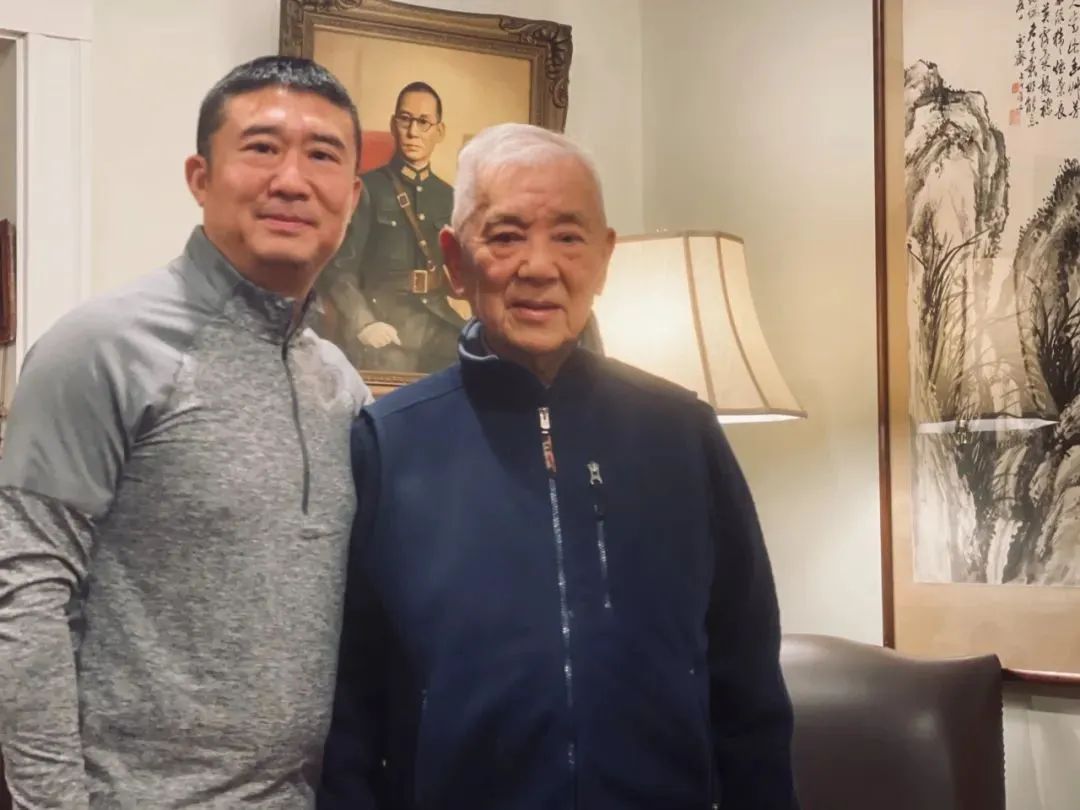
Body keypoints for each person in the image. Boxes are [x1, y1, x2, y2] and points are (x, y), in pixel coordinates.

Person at [319, 123, 797, 809]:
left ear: (604, 259)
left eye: (569, 237)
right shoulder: (389, 444)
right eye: (506, 235)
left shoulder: (682, 433)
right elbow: (349, 709)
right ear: (455, 261)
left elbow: (747, 680)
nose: (539, 266)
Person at [0, 56, 370, 809]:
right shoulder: (100, 348)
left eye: (323, 155)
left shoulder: (340, 383)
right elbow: (25, 595)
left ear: (353, 196)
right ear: (201, 177)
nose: (292, 180)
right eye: (262, 147)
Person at [317, 81, 464, 374]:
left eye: (423, 122)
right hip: (384, 322)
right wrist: (364, 323)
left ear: (439, 131)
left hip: (435, 321)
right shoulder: (368, 188)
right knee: (392, 368)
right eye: (405, 119)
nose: (413, 132)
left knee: (475, 364)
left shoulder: (448, 197)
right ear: (393, 124)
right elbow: (338, 268)